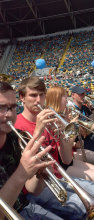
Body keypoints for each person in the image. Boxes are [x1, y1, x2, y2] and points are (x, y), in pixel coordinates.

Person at [14, 77, 94, 220]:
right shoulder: (17, 125)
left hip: (59, 176)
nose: (38, 100)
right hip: (38, 187)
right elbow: (26, 171)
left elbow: (66, 158)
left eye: (41, 95)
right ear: (22, 98)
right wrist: (38, 131)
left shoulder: (49, 119)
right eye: (33, 95)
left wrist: (63, 134)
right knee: (92, 212)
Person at [0, 81, 64, 219]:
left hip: (25, 207)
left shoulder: (16, 138)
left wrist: (40, 173)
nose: (9, 114)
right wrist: (22, 172)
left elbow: (33, 190)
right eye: (2, 107)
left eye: (12, 107)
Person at [45, 86, 94, 186]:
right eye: (65, 99)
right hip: (61, 165)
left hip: (68, 158)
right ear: (57, 99)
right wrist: (72, 129)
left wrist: (74, 140)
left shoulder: (61, 116)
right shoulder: (53, 121)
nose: (67, 102)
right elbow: (65, 156)